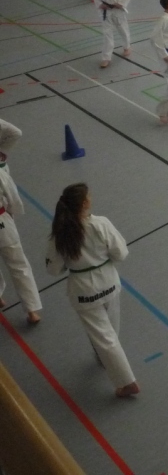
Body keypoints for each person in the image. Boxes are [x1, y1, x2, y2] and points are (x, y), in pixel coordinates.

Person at [46, 183, 138, 398]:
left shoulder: (59, 235)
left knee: (104, 337)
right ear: (85, 203)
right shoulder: (101, 224)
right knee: (111, 330)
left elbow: (53, 269)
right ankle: (108, 359)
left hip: (83, 290)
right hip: (109, 282)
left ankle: (128, 382)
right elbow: (121, 253)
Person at [0, 120, 42, 327]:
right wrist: (12, 213)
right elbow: (13, 197)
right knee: (18, 265)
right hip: (2, 222)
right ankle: (32, 310)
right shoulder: (0, 173)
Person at [89, 0, 133, 69]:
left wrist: (121, 3)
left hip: (117, 8)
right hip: (105, 10)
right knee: (107, 34)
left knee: (123, 29)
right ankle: (106, 57)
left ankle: (127, 46)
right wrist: (99, 4)